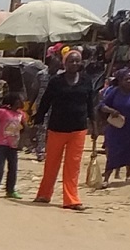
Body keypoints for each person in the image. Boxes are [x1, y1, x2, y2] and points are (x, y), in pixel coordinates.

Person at [33, 48, 96, 210]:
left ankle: (71, 200)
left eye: (77, 61)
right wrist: (38, 120)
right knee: (51, 163)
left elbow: (90, 104)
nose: (74, 63)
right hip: (57, 128)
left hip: (79, 129)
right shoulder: (56, 81)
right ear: (64, 63)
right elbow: (45, 102)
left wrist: (94, 126)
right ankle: (44, 194)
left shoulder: (86, 81)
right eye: (71, 61)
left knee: (73, 166)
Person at [0, 92, 26, 199]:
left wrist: (21, 141)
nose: (21, 102)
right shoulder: (2, 112)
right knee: (0, 167)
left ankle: (11, 190)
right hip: (1, 143)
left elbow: (25, 128)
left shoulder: (21, 115)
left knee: (13, 167)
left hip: (13, 144)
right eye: (19, 100)